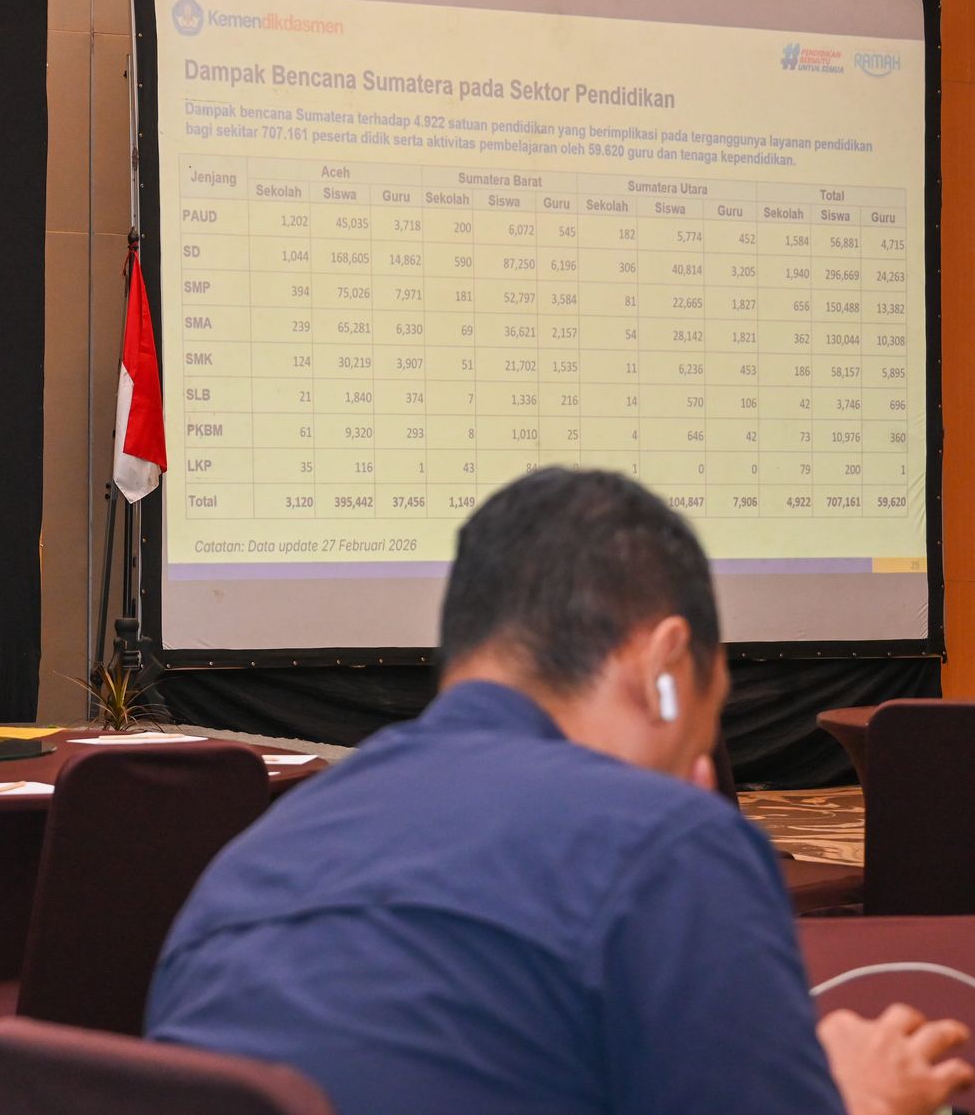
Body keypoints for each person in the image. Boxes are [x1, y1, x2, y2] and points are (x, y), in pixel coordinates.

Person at [146, 467, 971, 1115]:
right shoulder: (666, 843)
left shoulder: (251, 862)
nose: (694, 773)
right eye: (702, 724)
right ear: (666, 667)